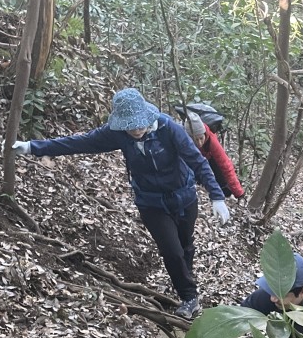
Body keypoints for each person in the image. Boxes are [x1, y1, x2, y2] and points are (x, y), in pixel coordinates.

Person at [12, 88, 228, 319]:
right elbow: (77, 143)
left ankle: (185, 276)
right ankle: (188, 297)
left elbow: (197, 162)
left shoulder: (168, 129)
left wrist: (216, 196)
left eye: (139, 124)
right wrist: (32, 147)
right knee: (171, 250)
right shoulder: (117, 134)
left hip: (184, 197)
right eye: (131, 125)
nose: (136, 129)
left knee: (185, 244)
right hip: (151, 202)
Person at [183, 111, 245, 201]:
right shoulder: (182, 140)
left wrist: (239, 193)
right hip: (192, 161)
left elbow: (226, 166)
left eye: (201, 138)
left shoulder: (211, 140)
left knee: (220, 176)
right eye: (195, 139)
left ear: (204, 134)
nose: (199, 143)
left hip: (208, 157)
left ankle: (225, 193)